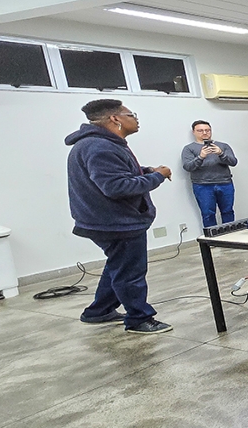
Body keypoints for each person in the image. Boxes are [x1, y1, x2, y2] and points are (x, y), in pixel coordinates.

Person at [66, 99, 172, 334]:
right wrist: (159, 176)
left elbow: (116, 174)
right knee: (130, 273)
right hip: (117, 222)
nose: (135, 118)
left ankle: (99, 311)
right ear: (115, 119)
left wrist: (146, 171)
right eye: (130, 114)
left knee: (118, 266)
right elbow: (117, 187)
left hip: (105, 220)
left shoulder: (101, 144)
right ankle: (139, 319)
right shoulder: (100, 147)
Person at [181, 120, 238, 228]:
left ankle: (230, 237)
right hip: (202, 185)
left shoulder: (223, 146)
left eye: (207, 130)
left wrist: (221, 154)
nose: (204, 133)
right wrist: (200, 157)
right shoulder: (189, 148)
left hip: (225, 183)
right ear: (194, 132)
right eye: (200, 130)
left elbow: (233, 162)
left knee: (228, 211)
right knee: (208, 214)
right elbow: (188, 167)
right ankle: (212, 240)